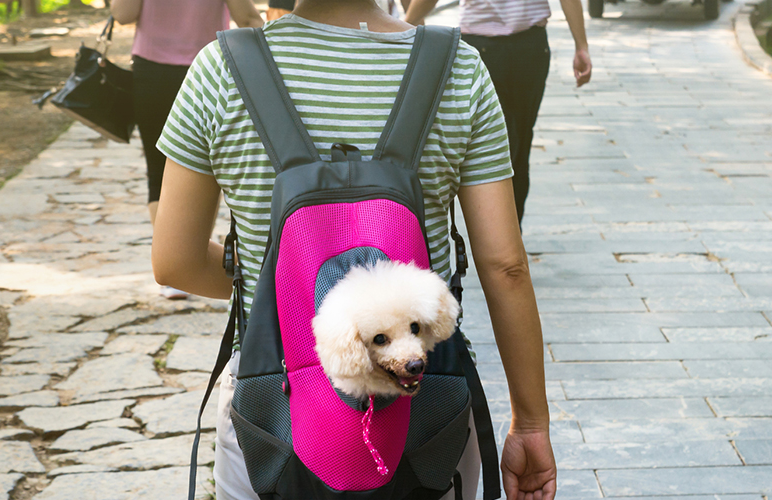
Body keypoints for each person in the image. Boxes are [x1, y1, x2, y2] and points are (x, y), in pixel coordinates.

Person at [149, 1, 556, 499]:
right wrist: (532, 424)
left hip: (271, 405)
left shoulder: (220, 69)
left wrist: (282, 291)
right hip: (425, 406)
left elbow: (175, 261)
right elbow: (505, 267)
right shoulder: (458, 68)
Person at [111, 0, 263, 300]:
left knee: (158, 169)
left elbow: (122, 14)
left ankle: (178, 265)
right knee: (211, 170)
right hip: (212, 67)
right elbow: (246, 15)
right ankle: (195, 255)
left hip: (152, 69)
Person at [404, 0, 592, 223]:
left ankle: (503, 236)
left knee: (489, 150)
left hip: (496, 48)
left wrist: (404, 25)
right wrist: (581, 45)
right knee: (516, 147)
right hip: (524, 48)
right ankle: (507, 236)